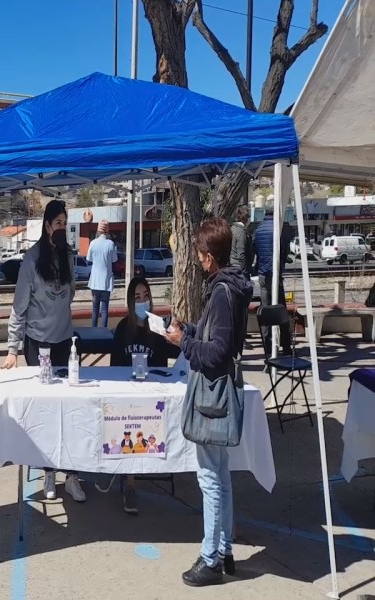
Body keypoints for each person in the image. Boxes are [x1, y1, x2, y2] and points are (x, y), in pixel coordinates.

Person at [166, 217, 252, 587]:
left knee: (210, 478)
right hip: (224, 389)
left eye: (201, 254)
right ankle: (225, 548)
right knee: (221, 474)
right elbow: (218, 336)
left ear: (209, 256)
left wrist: (182, 343)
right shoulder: (231, 287)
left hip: (213, 393)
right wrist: (190, 330)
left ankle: (211, 557)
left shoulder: (220, 291)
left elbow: (215, 352)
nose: (199, 260)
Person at [2, 199, 85, 503]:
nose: (62, 228)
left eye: (66, 222)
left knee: (71, 410)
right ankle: (49, 472)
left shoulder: (69, 257)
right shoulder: (31, 261)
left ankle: (72, 474)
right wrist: (12, 349)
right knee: (48, 413)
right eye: (58, 223)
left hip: (65, 342)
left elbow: (71, 293)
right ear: (48, 226)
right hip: (38, 346)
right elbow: (18, 308)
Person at [112, 276, 181, 514]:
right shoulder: (123, 328)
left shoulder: (158, 328)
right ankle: (130, 484)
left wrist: (172, 332)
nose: (142, 301)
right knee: (130, 422)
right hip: (131, 394)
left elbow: (176, 353)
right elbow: (114, 368)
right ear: (131, 302)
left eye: (146, 296)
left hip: (154, 393)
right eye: (137, 297)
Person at [253, 207, 292, 355]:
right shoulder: (278, 229)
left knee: (265, 310)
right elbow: (284, 250)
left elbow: (255, 250)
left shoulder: (258, 229)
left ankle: (267, 347)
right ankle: (286, 346)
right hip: (275, 274)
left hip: (263, 274)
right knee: (281, 310)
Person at [86, 219, 118, 327]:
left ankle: (93, 331)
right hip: (106, 282)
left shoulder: (93, 243)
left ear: (98, 231)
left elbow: (89, 259)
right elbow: (114, 260)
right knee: (104, 309)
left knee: (95, 309)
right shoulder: (111, 244)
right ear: (107, 231)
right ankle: (104, 332)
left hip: (95, 282)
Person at [230, 205, 253, 278]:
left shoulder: (232, 228)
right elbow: (241, 254)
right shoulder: (241, 232)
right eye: (248, 217)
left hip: (233, 265)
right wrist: (244, 271)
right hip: (239, 268)